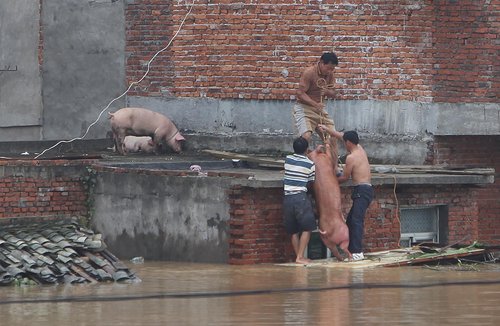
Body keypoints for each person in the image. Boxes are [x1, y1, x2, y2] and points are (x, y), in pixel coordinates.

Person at [318, 126, 373, 261]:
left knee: (356, 221)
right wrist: (326, 129)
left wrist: (329, 180)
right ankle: (351, 250)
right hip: (365, 190)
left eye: (344, 142)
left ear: (349, 142)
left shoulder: (351, 158)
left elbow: (344, 178)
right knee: (350, 221)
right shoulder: (360, 148)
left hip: (362, 190)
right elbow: (341, 135)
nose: (344, 144)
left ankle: (358, 252)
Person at [293, 52, 339, 165]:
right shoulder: (309, 73)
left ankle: (335, 167)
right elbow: (300, 93)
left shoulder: (330, 74)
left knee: (332, 135)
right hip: (304, 108)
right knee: (306, 136)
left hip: (320, 109)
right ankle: (302, 164)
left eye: (332, 69)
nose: (330, 71)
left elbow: (335, 93)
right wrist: (314, 104)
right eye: (328, 68)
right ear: (321, 63)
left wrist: (328, 92)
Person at [283, 137, 317, 264]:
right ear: (307, 149)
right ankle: (300, 257)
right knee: (308, 228)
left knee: (293, 231)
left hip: (287, 198)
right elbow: (310, 182)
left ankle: (298, 256)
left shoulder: (288, 159)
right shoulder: (310, 164)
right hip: (300, 198)